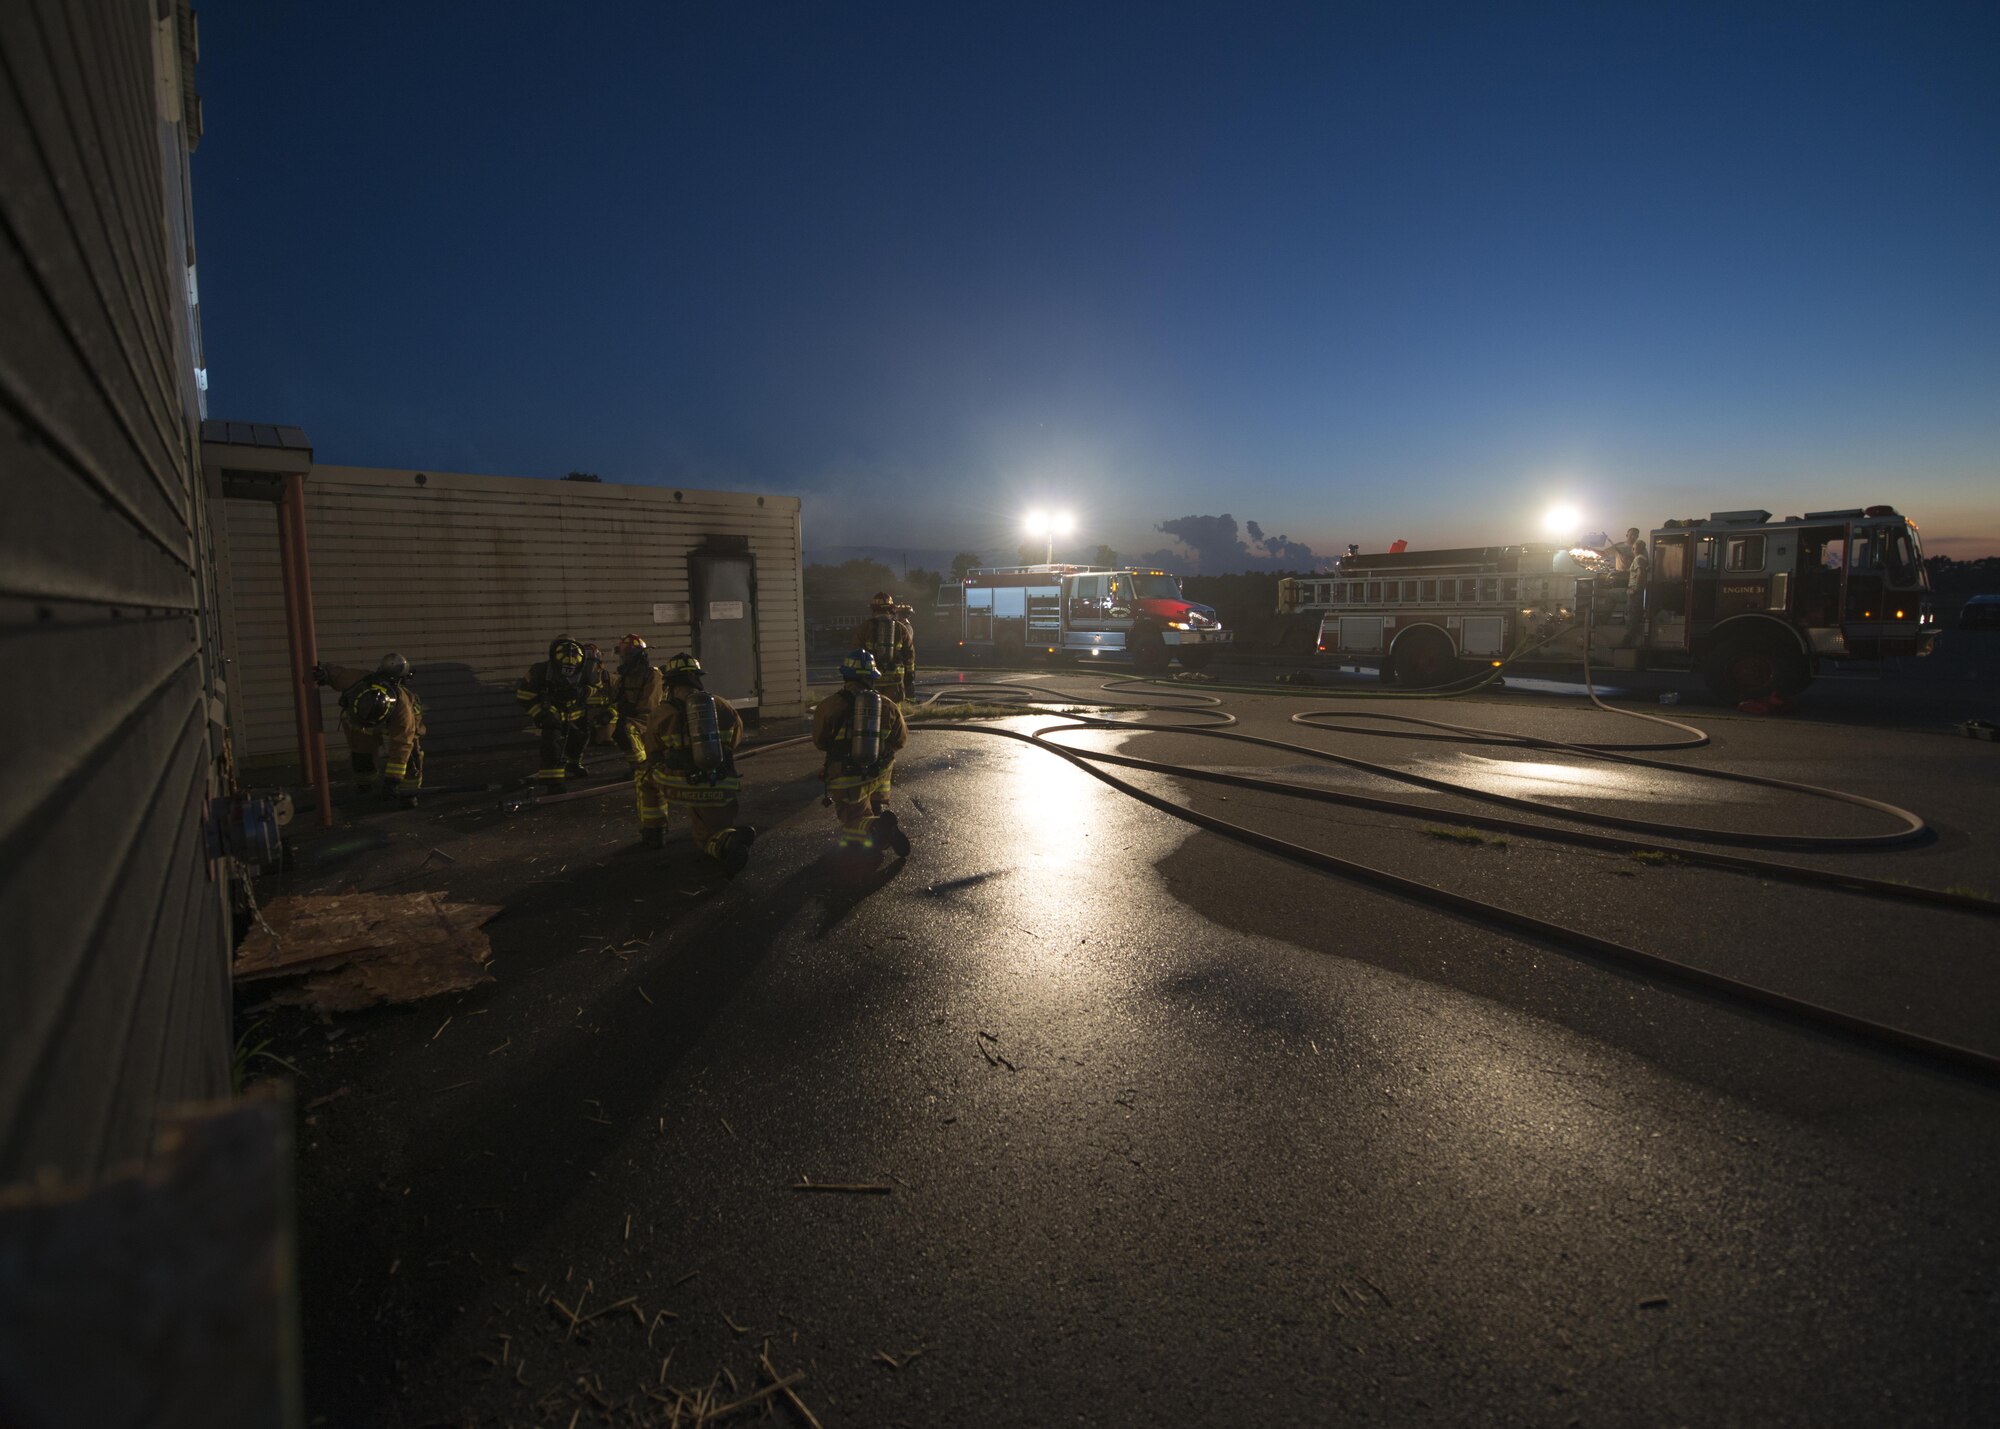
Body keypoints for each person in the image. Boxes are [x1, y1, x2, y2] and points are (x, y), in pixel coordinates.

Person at [635, 653, 757, 872]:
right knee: (711, 829)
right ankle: (726, 838)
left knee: (645, 778)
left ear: (670, 682)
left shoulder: (660, 713)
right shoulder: (722, 705)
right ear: (698, 678)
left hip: (678, 784)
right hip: (721, 784)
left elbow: (652, 753)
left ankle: (655, 832)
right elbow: (734, 741)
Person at [811, 648, 912, 863]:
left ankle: (878, 829)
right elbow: (900, 740)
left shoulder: (830, 706)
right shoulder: (888, 706)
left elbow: (820, 742)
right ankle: (876, 818)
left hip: (848, 778)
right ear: (872, 679)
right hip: (879, 775)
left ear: (846, 675)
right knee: (870, 798)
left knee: (851, 826)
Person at [313, 653, 425, 805]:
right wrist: (323, 673)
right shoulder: (358, 680)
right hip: (360, 721)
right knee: (361, 752)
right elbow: (337, 674)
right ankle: (364, 785)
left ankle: (409, 792)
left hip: (399, 725)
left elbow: (401, 745)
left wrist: (392, 781)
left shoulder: (402, 710)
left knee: (410, 756)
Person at [515, 635, 607, 791]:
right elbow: (523, 696)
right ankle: (553, 782)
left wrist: (582, 691)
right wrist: (541, 714)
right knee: (552, 746)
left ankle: (573, 764)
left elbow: (596, 686)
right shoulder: (540, 671)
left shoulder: (587, 669)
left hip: (576, 714)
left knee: (579, 741)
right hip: (552, 714)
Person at [603, 633, 664, 772]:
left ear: (636, 658)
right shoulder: (625, 678)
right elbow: (616, 700)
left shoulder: (653, 675)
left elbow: (649, 707)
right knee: (618, 730)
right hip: (633, 717)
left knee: (628, 729)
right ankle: (635, 766)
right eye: (622, 657)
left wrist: (628, 710)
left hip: (652, 718)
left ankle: (642, 768)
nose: (623, 661)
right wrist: (608, 713)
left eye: (626, 657)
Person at [852, 590, 917, 703]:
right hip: (895, 680)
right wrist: (910, 673)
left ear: (873, 608)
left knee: (873, 710)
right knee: (894, 711)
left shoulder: (864, 628)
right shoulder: (901, 628)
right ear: (891, 608)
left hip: (871, 680)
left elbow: (856, 653)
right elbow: (909, 653)